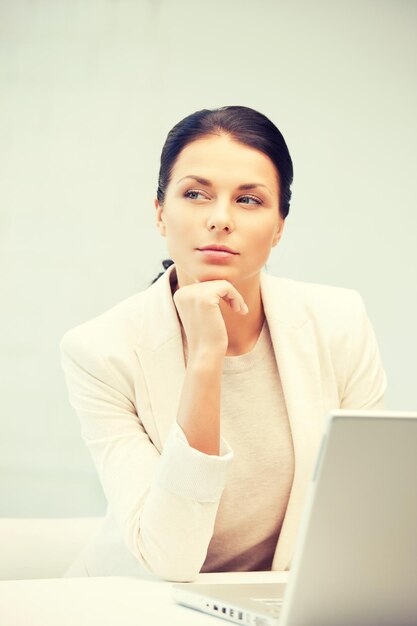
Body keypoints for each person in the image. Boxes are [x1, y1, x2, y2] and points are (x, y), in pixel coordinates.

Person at [60, 105, 386, 581]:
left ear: (279, 227)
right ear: (160, 213)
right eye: (195, 194)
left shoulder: (339, 322)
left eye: (249, 200)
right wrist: (206, 359)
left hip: (278, 602)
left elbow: (367, 509)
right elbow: (171, 558)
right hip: (138, 600)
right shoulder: (99, 352)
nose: (220, 219)